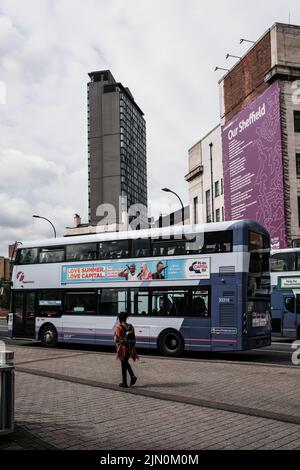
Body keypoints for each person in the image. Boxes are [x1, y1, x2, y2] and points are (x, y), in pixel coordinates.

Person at [114, 312, 138, 388]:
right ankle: (124, 382)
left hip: (122, 348)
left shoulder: (119, 327)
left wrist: (119, 340)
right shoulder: (131, 326)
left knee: (124, 362)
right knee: (124, 363)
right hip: (130, 348)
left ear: (120, 319)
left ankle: (132, 376)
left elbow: (116, 339)